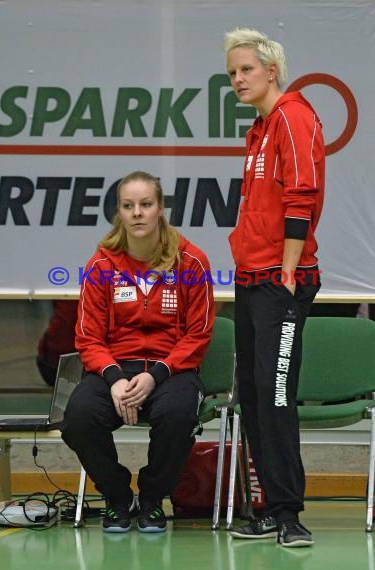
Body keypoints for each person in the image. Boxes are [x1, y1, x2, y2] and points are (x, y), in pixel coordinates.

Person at [61, 171, 215, 533]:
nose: (138, 213)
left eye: (146, 204)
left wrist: (156, 375)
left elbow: (198, 334)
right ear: (119, 212)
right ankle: (117, 498)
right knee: (78, 418)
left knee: (177, 417)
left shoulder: (191, 262)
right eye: (128, 206)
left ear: (160, 208)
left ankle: (151, 500)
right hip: (113, 370)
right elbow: (88, 337)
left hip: (172, 371)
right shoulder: (101, 265)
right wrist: (114, 378)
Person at [223, 28, 325, 547]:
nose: (238, 79)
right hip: (251, 279)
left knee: (277, 394)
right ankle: (267, 509)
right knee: (256, 396)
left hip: (281, 282)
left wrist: (287, 270)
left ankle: (289, 514)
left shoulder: (294, 116)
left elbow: (301, 197)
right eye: (232, 72)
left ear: (272, 70)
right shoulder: (260, 128)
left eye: (246, 70)